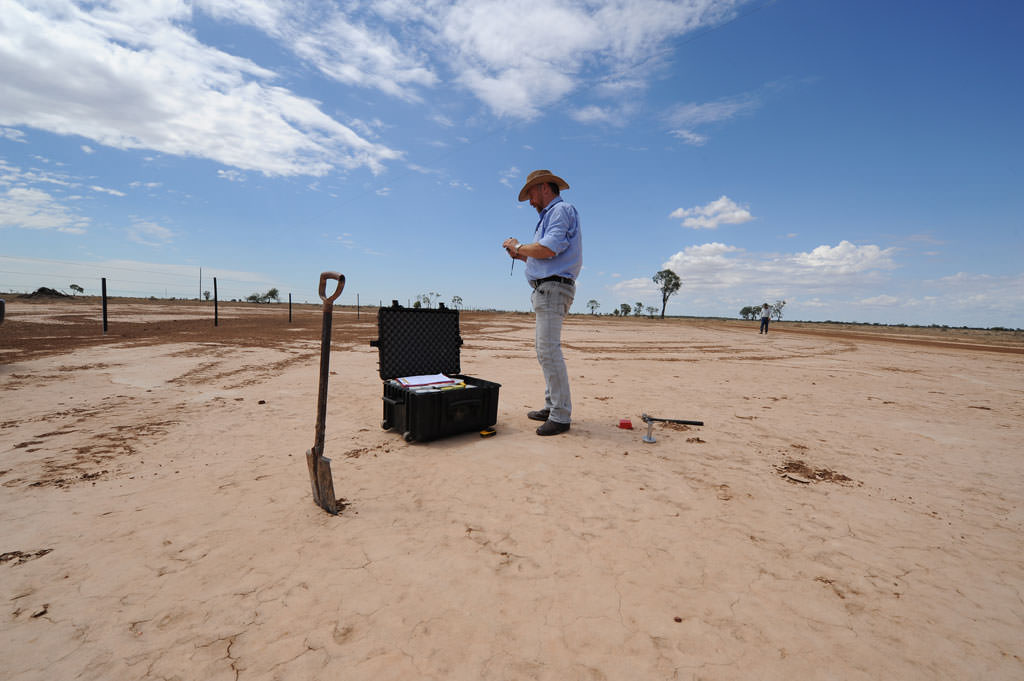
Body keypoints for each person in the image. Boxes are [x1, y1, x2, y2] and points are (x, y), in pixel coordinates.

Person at [502, 169, 582, 436]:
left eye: (532, 194)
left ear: (545, 188)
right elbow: (546, 256)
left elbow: (548, 248)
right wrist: (520, 254)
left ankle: (560, 415)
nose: (530, 201)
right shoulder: (550, 216)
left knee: (548, 351)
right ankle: (552, 407)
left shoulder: (561, 211)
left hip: (552, 289)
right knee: (544, 351)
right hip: (548, 288)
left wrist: (519, 245)